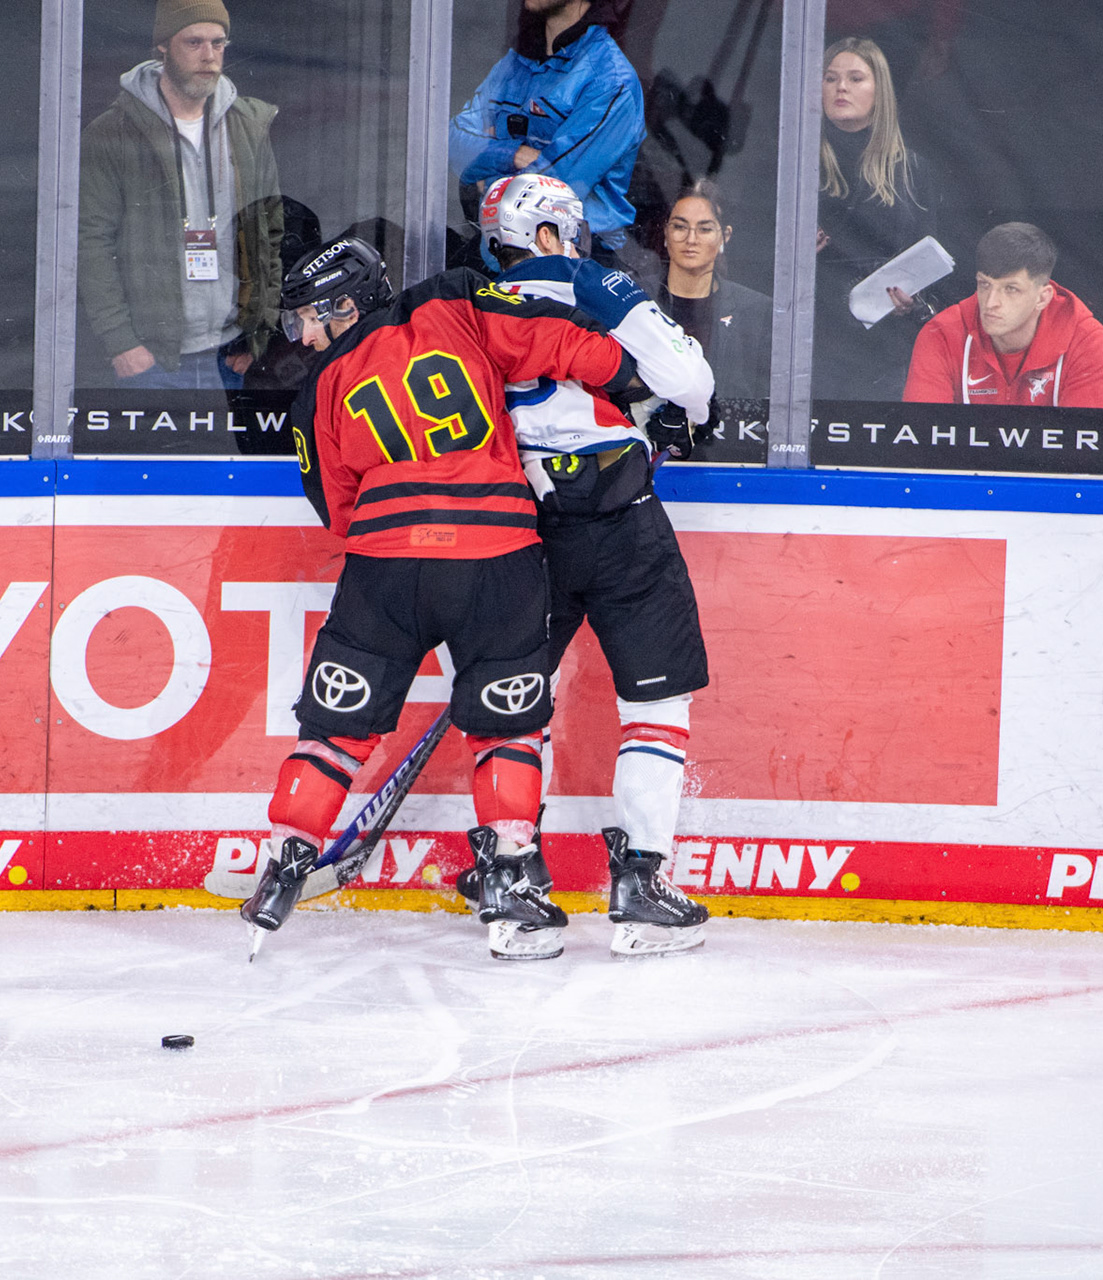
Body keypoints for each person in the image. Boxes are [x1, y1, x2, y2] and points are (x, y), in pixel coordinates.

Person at [242, 234, 649, 962]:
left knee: (336, 728)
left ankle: (284, 868)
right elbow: (547, 341)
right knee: (506, 728)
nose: (299, 334)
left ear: (344, 304)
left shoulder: (318, 391)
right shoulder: (452, 299)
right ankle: (509, 880)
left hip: (385, 569)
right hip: (499, 558)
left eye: (306, 315)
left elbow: (337, 513)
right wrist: (622, 368)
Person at [475, 173, 715, 956]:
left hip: (521, 526)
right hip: (618, 522)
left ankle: (514, 895)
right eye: (567, 230)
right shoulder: (587, 279)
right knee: (659, 702)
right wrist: (670, 407)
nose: (574, 242)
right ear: (547, 234)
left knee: (514, 707)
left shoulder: (466, 307)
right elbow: (690, 381)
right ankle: (641, 888)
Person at [78, 0, 283, 390]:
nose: (209, 56)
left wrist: (259, 333)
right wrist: (120, 342)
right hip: (151, 360)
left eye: (218, 43)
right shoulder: (114, 132)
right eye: (194, 43)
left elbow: (270, 232)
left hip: (231, 354)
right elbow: (91, 243)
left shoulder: (248, 126)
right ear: (162, 47)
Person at [448, 0, 644, 270]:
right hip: (497, 250)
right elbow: (449, 142)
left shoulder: (610, 80)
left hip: (579, 262)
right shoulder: (514, 65)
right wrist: (512, 154)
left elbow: (550, 189)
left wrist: (486, 173)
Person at [813, 36, 939, 401]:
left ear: (879, 90)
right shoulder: (793, 162)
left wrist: (913, 300)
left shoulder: (912, 170)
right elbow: (752, 249)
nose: (840, 87)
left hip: (884, 346)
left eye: (855, 78)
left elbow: (927, 255)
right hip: (813, 338)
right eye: (830, 77)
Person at [903, 221, 1103, 407]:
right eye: (985, 284)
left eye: (1011, 289)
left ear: (1042, 298)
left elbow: (1085, 446)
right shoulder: (941, 334)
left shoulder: (1085, 338)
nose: (990, 302)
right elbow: (922, 441)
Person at [650, 179, 770, 402]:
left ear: (725, 236)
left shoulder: (756, 310)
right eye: (679, 227)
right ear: (665, 233)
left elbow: (762, 396)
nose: (691, 239)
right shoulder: (636, 299)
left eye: (704, 229)